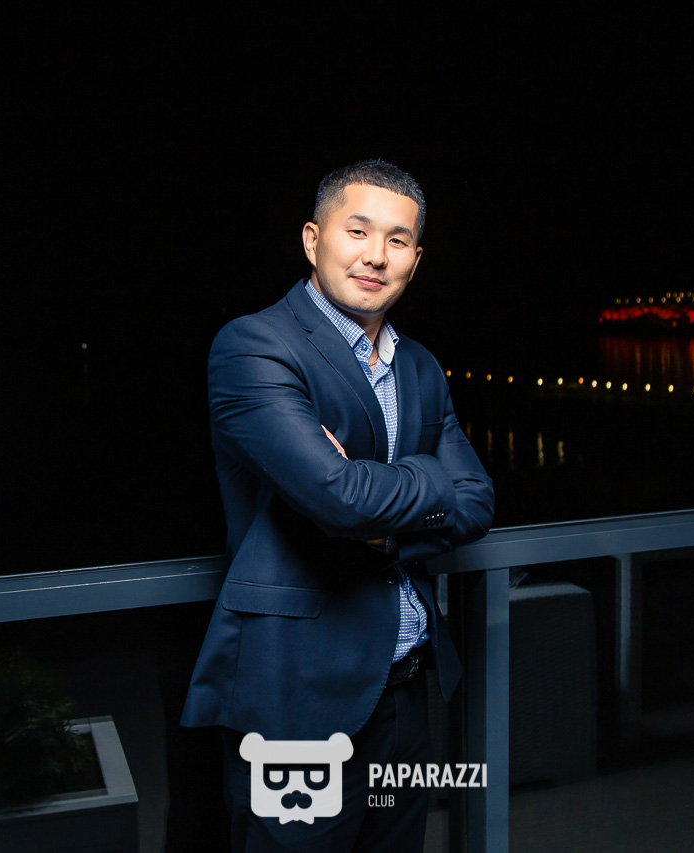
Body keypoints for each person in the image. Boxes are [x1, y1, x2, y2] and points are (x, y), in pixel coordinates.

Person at [181, 159, 494, 851]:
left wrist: (381, 520)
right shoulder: (254, 346)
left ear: (416, 258)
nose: (376, 255)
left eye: (398, 239)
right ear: (312, 239)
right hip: (298, 696)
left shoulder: (420, 365)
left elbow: (475, 500)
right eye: (357, 231)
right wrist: (418, 485)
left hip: (406, 692)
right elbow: (340, 499)